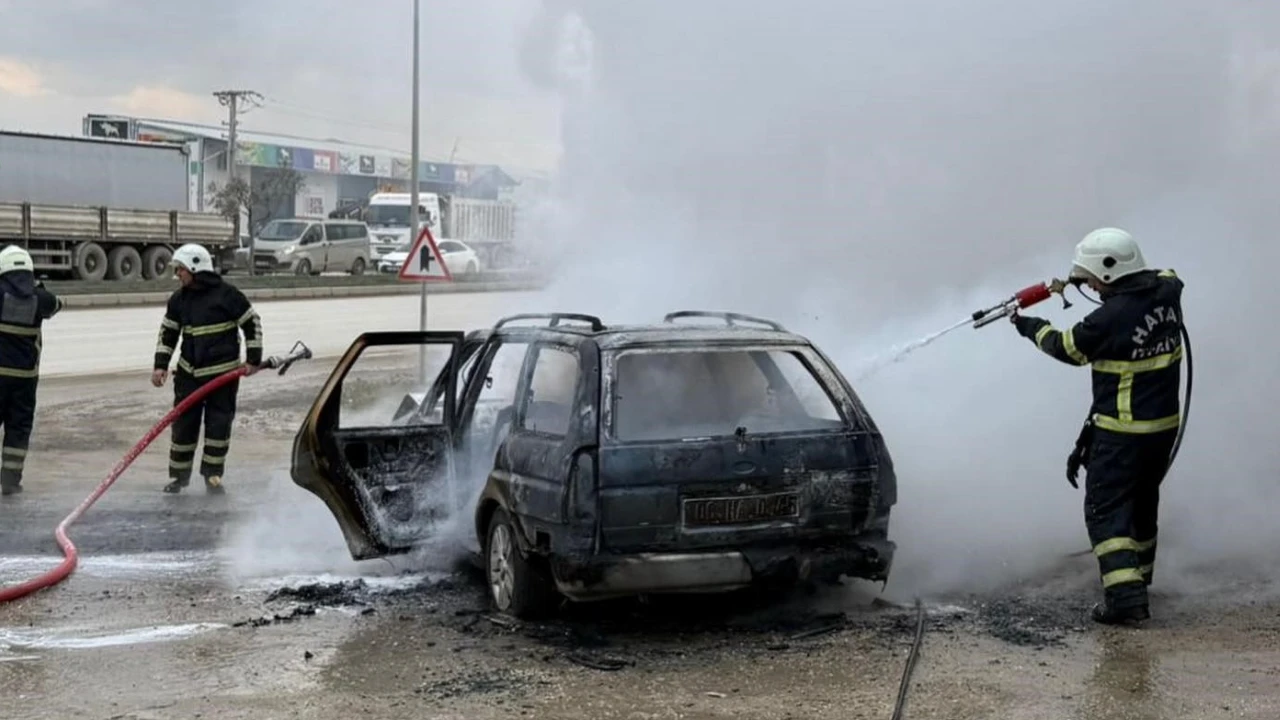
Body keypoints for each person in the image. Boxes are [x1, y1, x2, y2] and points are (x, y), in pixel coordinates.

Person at [1009, 227, 1184, 626]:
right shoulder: (1169, 291)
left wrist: (1027, 325)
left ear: (1108, 272)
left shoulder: (1107, 319)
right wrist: (1075, 278)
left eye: (1093, 279)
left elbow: (1065, 346)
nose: (1090, 287)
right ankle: (1139, 579)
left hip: (1123, 433)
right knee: (1143, 502)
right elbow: (1165, 275)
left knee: (1105, 513)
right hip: (1162, 429)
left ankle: (1125, 602)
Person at [152, 243, 263, 495]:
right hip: (188, 375)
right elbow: (168, 333)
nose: (177, 275)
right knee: (183, 427)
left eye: (180, 269)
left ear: (194, 267)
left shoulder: (227, 295)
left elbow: (251, 322)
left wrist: (253, 359)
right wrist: (160, 366)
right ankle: (179, 478)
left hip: (222, 376)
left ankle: (212, 475)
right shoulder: (178, 300)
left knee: (218, 426)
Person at [0, 245, 64, 496]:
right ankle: (10, 481)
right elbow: (57, 305)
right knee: (18, 427)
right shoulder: (40, 299)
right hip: (25, 378)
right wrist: (37, 288)